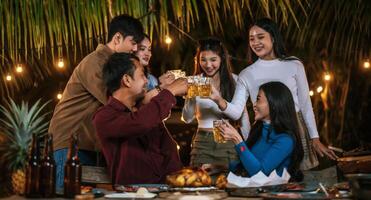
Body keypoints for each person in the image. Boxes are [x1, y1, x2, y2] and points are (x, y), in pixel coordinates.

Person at [211, 18, 337, 170]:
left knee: (301, 177)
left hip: (295, 126)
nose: (255, 42)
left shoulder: (294, 65)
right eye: (251, 39)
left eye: (260, 37)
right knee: (265, 175)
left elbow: (305, 104)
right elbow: (237, 111)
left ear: (273, 37)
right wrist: (219, 100)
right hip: (265, 132)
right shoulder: (247, 74)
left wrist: (314, 137)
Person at [48, 14, 144, 191]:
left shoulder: (111, 64)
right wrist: (157, 94)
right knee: (64, 196)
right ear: (117, 38)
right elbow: (117, 100)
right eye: (133, 42)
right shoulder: (97, 62)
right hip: (69, 143)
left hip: (87, 145)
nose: (135, 48)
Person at [93, 53, 187, 184]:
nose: (147, 81)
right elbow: (139, 123)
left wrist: (178, 183)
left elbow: (169, 151)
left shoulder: (146, 112)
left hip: (164, 191)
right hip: (129, 195)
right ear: (127, 80)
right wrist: (170, 91)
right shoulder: (104, 117)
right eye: (142, 75)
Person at [182, 38, 250, 171]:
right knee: (199, 184)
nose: (208, 65)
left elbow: (242, 117)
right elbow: (187, 118)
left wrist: (248, 146)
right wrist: (190, 96)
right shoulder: (196, 81)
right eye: (203, 59)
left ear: (222, 59)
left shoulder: (235, 81)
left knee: (228, 184)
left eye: (213, 60)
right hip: (202, 142)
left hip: (228, 141)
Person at [219, 82, 304, 181]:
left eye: (258, 100)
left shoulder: (285, 140)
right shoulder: (258, 128)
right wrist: (222, 167)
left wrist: (237, 140)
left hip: (272, 194)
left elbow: (259, 174)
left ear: (274, 104)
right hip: (252, 190)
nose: (254, 105)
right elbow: (247, 164)